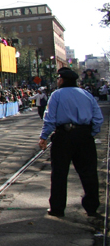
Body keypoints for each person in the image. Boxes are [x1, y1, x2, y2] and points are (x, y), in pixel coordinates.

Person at [39, 68, 104, 218]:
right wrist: (88, 133)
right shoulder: (87, 95)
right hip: (84, 136)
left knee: (59, 174)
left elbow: (49, 119)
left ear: (61, 80)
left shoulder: (56, 95)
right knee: (89, 173)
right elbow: (98, 118)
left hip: (63, 136)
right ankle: (92, 207)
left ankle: (57, 208)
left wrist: (43, 137)